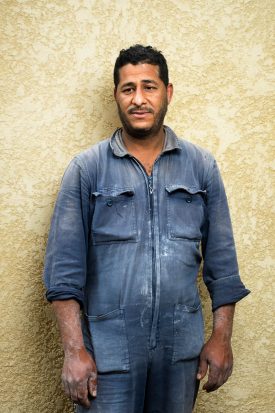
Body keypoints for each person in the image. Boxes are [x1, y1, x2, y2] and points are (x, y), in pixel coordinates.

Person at [43, 44, 250, 413]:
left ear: (167, 92)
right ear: (116, 96)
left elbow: (223, 265)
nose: (139, 99)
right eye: (128, 89)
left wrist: (221, 338)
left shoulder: (201, 167)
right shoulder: (87, 169)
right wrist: (75, 352)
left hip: (180, 356)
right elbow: (63, 273)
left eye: (149, 87)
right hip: (107, 359)